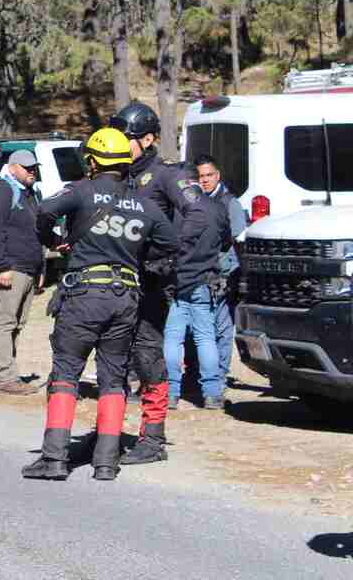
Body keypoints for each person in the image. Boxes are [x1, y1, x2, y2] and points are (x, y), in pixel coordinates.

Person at [21, 127, 176, 482]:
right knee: (113, 377)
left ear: (92, 161)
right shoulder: (146, 204)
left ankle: (54, 457)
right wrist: (134, 253)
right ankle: (106, 463)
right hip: (126, 300)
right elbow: (169, 244)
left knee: (65, 373)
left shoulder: (81, 191)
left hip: (83, 297)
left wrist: (55, 239)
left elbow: (44, 211)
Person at [108, 101, 193, 466]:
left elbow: (201, 214)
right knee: (114, 358)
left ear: (147, 139)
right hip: (117, 284)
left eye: (124, 139)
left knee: (148, 357)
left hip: (152, 286)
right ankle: (108, 436)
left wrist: (169, 257)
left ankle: (153, 438)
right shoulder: (119, 177)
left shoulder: (166, 175)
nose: (118, 145)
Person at [163, 169, 231, 410]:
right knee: (206, 338)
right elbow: (226, 241)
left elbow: (170, 244)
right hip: (205, 280)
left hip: (180, 281)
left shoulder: (180, 210)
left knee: (172, 338)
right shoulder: (218, 208)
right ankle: (212, 393)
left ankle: (170, 392)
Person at [0, 149, 44, 395]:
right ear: (11, 168)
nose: (31, 171)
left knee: (18, 324)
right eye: (26, 167)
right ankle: (7, 379)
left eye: (33, 167)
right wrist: (2, 267)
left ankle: (11, 373)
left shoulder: (31, 194)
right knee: (6, 323)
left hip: (28, 268)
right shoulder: (2, 189)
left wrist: (41, 268)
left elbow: (36, 234)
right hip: (9, 268)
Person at [194, 154, 247, 388]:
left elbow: (236, 240)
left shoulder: (230, 204)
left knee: (222, 327)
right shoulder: (194, 202)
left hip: (224, 273)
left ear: (217, 176)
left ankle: (220, 375)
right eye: (200, 176)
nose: (204, 180)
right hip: (199, 272)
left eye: (208, 175)